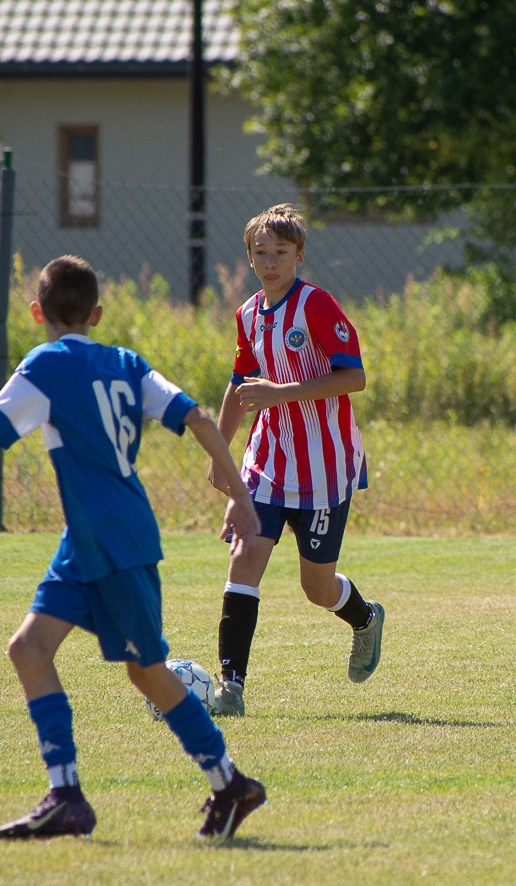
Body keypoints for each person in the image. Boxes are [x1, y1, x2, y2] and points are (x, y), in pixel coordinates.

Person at [0, 254, 267, 841]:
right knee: (29, 650)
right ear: (96, 314)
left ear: (37, 312)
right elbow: (201, 419)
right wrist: (241, 497)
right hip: (89, 540)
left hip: (115, 541)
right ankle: (66, 795)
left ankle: (230, 783)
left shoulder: (45, 364)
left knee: (147, 673)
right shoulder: (125, 363)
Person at [205, 203, 384, 717]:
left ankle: (366, 619)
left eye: (280, 253)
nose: (270, 262)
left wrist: (282, 392)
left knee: (317, 587)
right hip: (267, 463)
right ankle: (231, 688)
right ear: (249, 257)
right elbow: (241, 385)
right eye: (260, 252)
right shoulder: (247, 314)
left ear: (299, 256)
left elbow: (354, 378)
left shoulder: (317, 306)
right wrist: (221, 453)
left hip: (325, 469)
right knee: (244, 561)